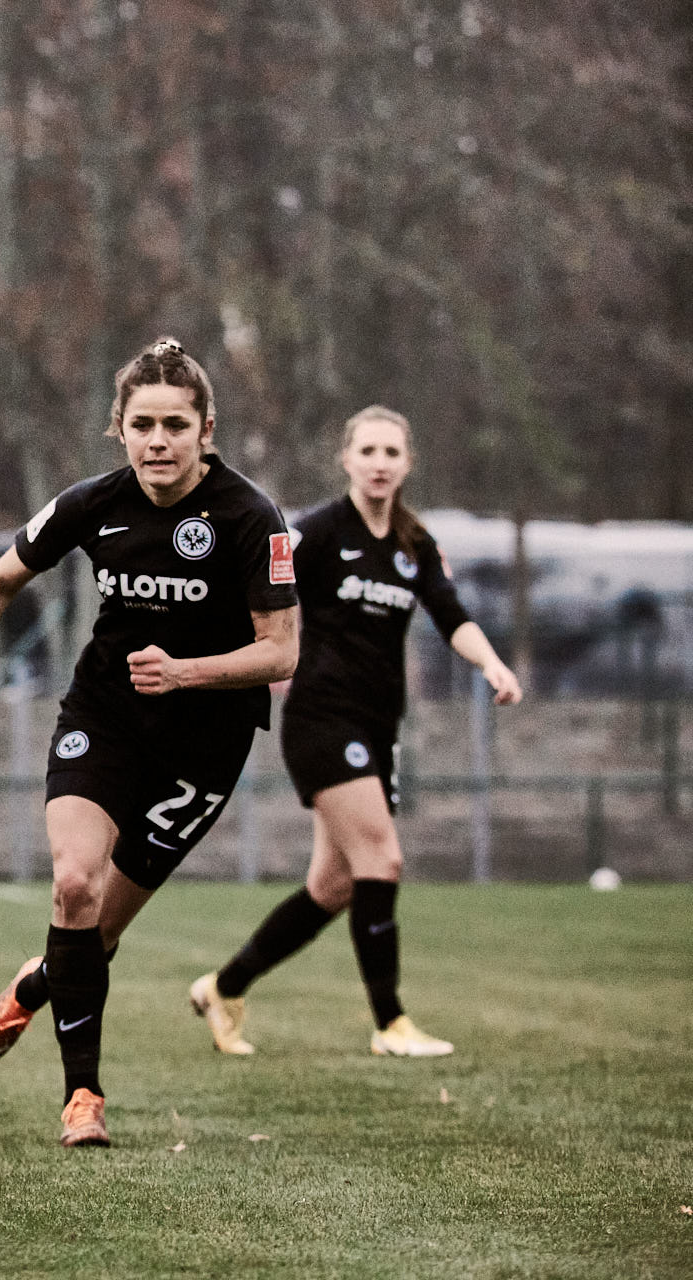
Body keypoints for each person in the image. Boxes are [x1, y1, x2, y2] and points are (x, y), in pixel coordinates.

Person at [0, 338, 300, 1148]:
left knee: (100, 934)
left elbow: (283, 652)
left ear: (206, 430)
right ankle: (82, 1097)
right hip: (106, 718)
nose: (158, 441)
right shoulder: (93, 502)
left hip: (206, 747)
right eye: (142, 425)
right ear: (117, 430)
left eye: (175, 425)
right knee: (73, 888)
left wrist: (188, 672)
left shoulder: (249, 517)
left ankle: (29, 989)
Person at [189, 405, 521, 1058]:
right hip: (320, 718)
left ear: (407, 465)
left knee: (334, 888)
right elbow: (256, 595)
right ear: (346, 458)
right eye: (366, 450)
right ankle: (390, 1023)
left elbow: (451, 614)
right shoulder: (316, 533)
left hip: (376, 726)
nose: (378, 463)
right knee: (383, 860)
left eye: (391, 453)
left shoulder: (414, 545)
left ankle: (222, 988)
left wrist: (492, 663)